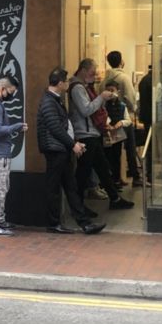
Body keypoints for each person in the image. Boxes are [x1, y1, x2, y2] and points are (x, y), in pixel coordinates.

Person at [36, 68, 106, 235]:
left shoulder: (55, 100)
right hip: (55, 150)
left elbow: (63, 127)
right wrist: (72, 145)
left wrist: (74, 143)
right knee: (54, 188)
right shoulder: (48, 102)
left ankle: (85, 223)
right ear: (60, 83)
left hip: (62, 149)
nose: (68, 84)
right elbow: (55, 128)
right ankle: (53, 223)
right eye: (66, 81)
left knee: (71, 186)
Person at [68, 59, 135, 211]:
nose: (94, 76)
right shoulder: (78, 88)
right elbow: (86, 110)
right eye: (92, 72)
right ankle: (78, 207)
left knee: (102, 168)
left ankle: (114, 198)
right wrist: (101, 98)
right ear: (84, 70)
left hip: (90, 133)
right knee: (84, 172)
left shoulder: (83, 87)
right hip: (85, 134)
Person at [0, 76, 28, 237]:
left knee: (2, 188)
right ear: (3, 88)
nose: (12, 95)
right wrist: (15, 127)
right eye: (11, 91)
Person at [100, 51, 142, 185]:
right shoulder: (124, 78)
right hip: (124, 116)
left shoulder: (104, 80)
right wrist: (133, 109)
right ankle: (135, 176)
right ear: (121, 61)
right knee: (130, 147)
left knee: (113, 151)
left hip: (108, 118)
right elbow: (130, 97)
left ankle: (116, 177)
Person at [102, 81, 133, 189]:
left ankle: (116, 181)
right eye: (108, 90)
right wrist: (107, 125)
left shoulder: (122, 105)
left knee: (117, 157)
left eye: (112, 90)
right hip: (106, 134)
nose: (110, 93)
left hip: (118, 134)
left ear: (117, 92)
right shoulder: (103, 104)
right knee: (107, 157)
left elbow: (128, 120)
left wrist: (121, 123)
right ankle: (107, 183)